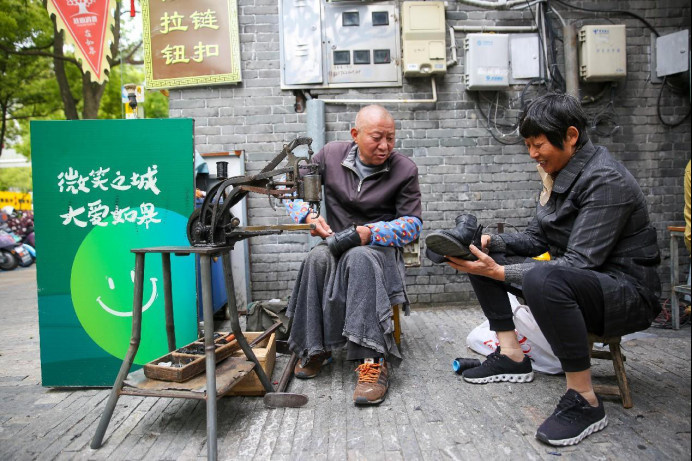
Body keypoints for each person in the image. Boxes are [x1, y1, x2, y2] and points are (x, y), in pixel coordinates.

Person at [427, 93, 661, 446]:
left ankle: (585, 399)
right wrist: (489, 243)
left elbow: (578, 263)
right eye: (528, 145)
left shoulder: (606, 180)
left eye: (538, 145)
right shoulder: (560, 172)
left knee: (539, 274)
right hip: (580, 281)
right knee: (479, 258)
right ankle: (511, 355)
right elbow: (538, 238)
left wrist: (502, 274)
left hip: (625, 295)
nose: (532, 154)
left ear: (570, 136)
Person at [283, 105, 422, 405]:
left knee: (359, 259)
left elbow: (412, 225)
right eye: (376, 138)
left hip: (378, 250)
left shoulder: (405, 169)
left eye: (390, 138)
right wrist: (306, 216)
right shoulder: (329, 155)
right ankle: (315, 347)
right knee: (315, 259)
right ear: (355, 135)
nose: (385, 146)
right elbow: (291, 192)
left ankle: (373, 361)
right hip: (336, 243)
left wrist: (371, 232)